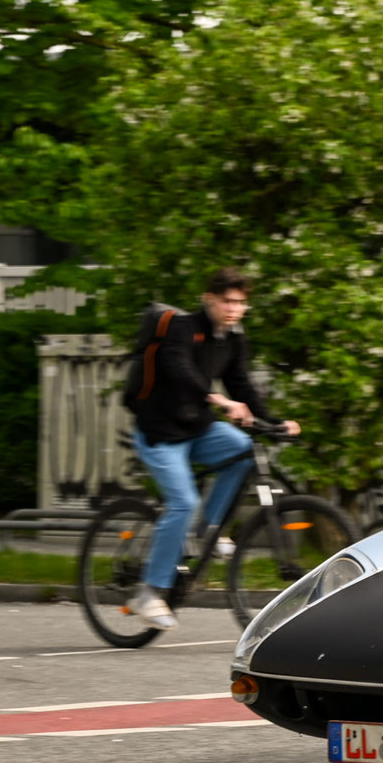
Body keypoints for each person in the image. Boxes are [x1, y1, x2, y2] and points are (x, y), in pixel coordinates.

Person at [126, 268, 299, 630]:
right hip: (159, 432)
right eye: (227, 301)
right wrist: (218, 400)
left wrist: (275, 421)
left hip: (196, 427)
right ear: (209, 299)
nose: (235, 308)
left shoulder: (234, 339)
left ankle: (207, 530)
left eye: (241, 302)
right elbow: (178, 368)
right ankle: (149, 591)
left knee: (241, 449)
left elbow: (243, 385)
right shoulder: (183, 327)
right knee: (183, 502)